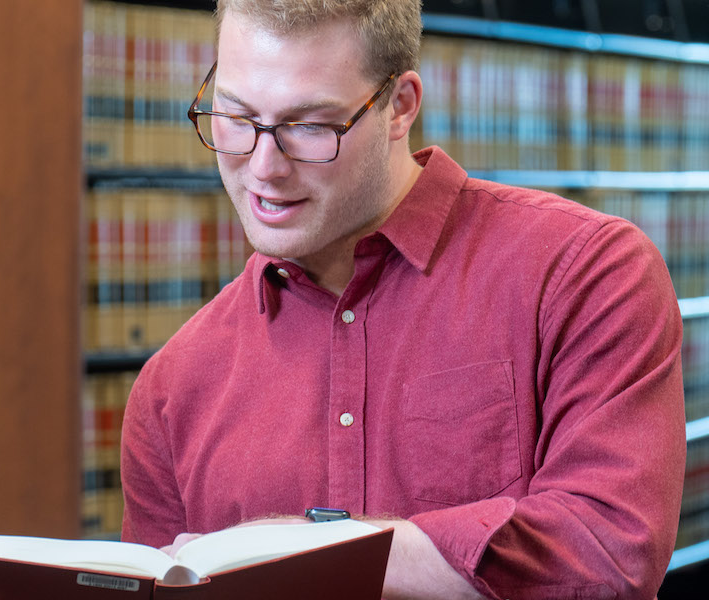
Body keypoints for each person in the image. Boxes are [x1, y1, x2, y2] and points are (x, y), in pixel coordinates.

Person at [119, 1, 685, 599]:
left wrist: (297, 552)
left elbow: (608, 555)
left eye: (309, 126)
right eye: (234, 116)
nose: (263, 168)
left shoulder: (585, 273)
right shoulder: (170, 388)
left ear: (400, 106)